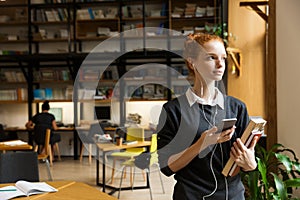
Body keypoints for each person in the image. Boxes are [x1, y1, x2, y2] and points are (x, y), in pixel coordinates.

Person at [157, 33, 258, 200]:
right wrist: (202, 143)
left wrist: (251, 164)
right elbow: (167, 167)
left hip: (232, 196)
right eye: (211, 58)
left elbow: (249, 157)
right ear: (192, 61)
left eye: (223, 58)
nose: (220, 64)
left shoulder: (237, 107)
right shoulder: (173, 110)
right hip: (191, 196)